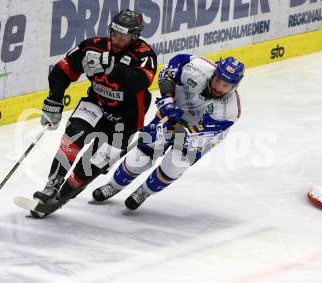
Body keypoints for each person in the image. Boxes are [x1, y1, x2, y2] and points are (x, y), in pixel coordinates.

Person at [29, 9, 157, 217]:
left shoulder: (144, 55)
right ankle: (51, 186)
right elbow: (62, 70)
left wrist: (111, 68)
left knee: (91, 165)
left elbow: (139, 82)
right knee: (71, 138)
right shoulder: (93, 46)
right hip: (96, 103)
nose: (117, 40)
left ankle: (62, 197)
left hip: (126, 119)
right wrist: (54, 98)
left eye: (123, 36)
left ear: (134, 36)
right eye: (114, 33)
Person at [92, 55, 244, 210]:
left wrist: (164, 132)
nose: (218, 87)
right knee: (141, 154)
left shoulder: (229, 111)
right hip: (173, 113)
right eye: (217, 80)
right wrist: (167, 101)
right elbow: (168, 73)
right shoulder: (194, 66)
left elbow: (198, 134)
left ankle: (144, 191)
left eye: (225, 85)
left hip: (199, 134)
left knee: (175, 165)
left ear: (234, 87)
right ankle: (113, 185)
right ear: (214, 73)